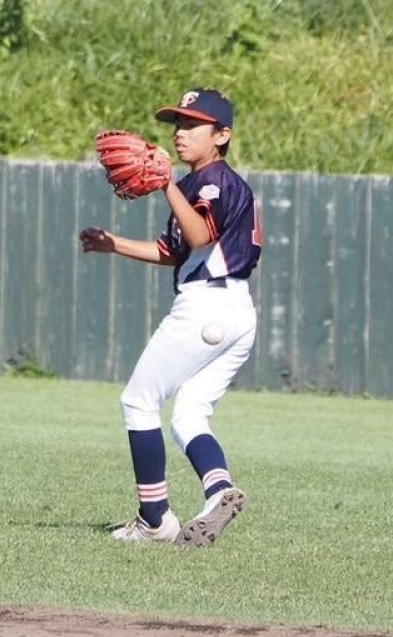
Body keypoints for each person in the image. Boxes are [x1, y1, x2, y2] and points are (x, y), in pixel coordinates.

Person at [79, 88, 263, 547]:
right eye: (178, 124)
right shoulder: (196, 184)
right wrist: (114, 244)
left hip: (205, 307)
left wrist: (165, 185)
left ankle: (155, 519)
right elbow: (172, 251)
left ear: (221, 136)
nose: (180, 133)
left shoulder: (213, 182)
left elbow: (199, 236)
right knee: (189, 415)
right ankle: (219, 491)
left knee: (138, 401)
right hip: (237, 312)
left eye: (193, 124)